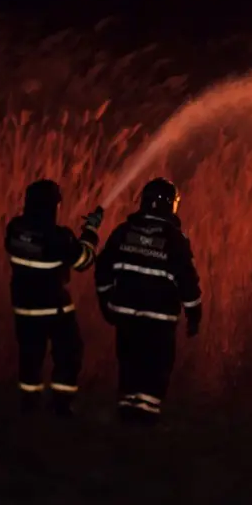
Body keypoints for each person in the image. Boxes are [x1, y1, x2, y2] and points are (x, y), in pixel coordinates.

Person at [95, 177, 202, 424]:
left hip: (124, 315)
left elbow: (103, 269)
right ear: (170, 205)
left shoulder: (123, 232)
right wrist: (194, 314)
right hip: (159, 320)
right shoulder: (176, 239)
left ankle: (127, 412)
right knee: (156, 365)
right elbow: (187, 280)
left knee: (129, 361)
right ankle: (145, 419)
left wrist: (105, 302)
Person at [4, 179, 102, 417]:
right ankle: (61, 404)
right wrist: (90, 232)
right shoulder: (59, 237)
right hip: (53, 307)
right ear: (52, 206)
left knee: (30, 355)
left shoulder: (15, 228)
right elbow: (83, 261)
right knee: (69, 352)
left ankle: (28, 403)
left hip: (23, 306)